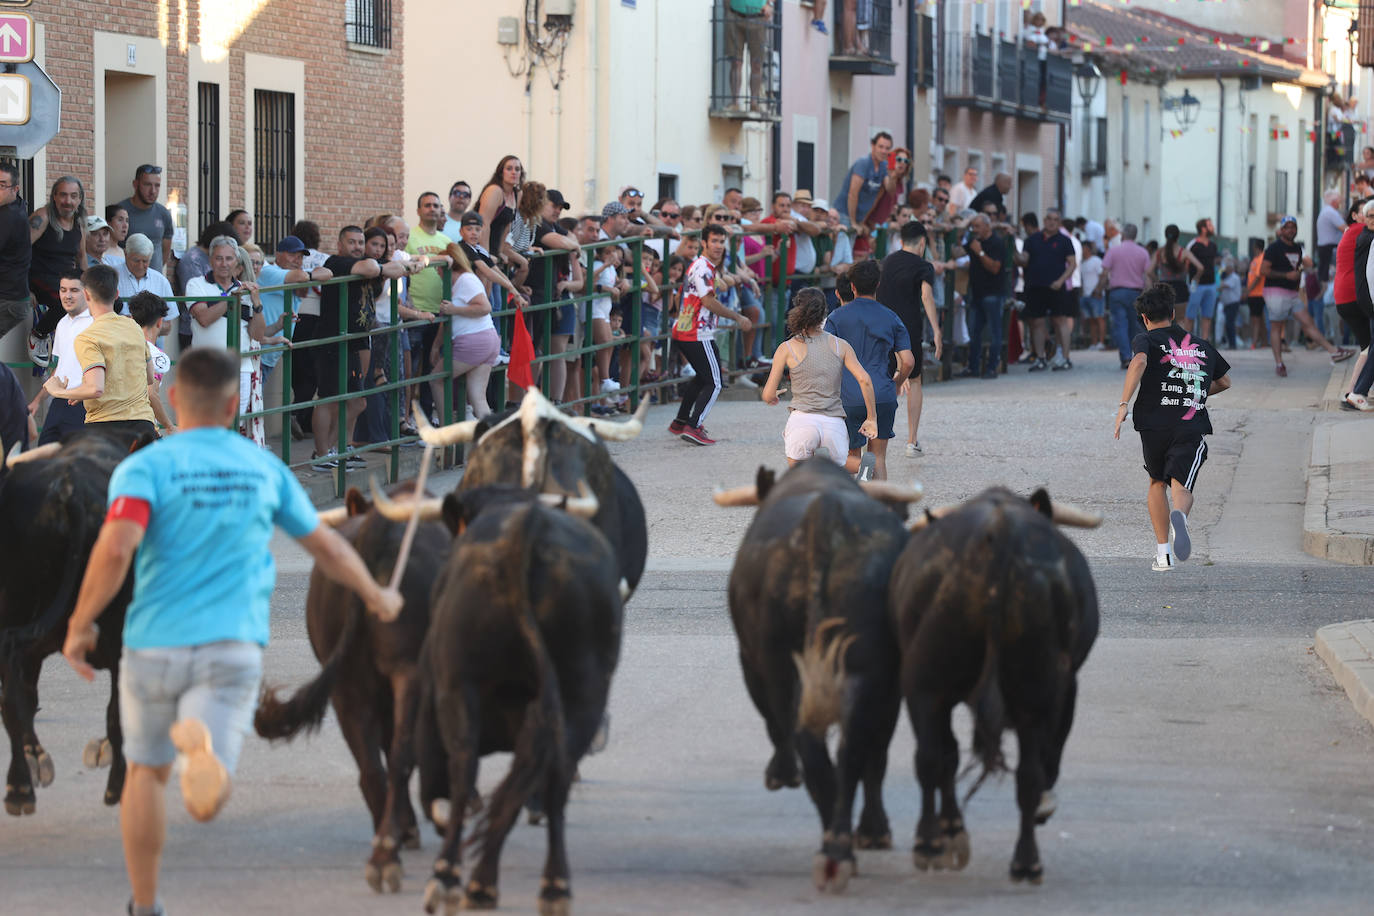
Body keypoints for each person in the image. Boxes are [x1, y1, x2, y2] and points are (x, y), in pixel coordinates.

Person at [59, 346, 404, 916]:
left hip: (152, 646)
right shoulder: (262, 467)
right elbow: (325, 545)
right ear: (230, 407)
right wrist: (375, 593)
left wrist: (79, 624)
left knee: (144, 772)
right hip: (231, 648)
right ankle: (205, 758)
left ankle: (145, 905)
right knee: (206, 796)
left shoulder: (143, 466)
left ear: (173, 399)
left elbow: (117, 547)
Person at [1114, 283, 1232, 572]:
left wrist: (1123, 404)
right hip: (1188, 424)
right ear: (1172, 313)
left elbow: (1139, 361)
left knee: (1156, 482)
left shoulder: (1146, 340)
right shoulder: (1202, 345)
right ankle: (1180, 515)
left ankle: (1163, 554)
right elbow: (1225, 381)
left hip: (1152, 424)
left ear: (1144, 317)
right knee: (1181, 486)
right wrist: (1195, 392)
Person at [762, 286, 875, 468]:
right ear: (825, 312)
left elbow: (767, 395)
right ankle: (864, 467)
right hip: (834, 422)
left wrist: (773, 396)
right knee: (839, 466)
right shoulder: (841, 345)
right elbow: (865, 380)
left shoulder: (787, 348)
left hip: (802, 420)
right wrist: (871, 418)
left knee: (799, 476)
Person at [44, 264, 156, 441]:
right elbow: (150, 377)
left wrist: (58, 391)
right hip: (144, 426)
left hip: (107, 429)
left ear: (86, 294)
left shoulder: (87, 337)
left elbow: (95, 388)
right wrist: (82, 393)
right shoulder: (133, 326)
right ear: (116, 294)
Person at [825, 260, 915, 480]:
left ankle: (857, 501)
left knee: (852, 455)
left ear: (852, 287)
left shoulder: (837, 318)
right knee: (877, 457)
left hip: (849, 395)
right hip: (881, 392)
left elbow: (826, 357)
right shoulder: (891, 317)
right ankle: (877, 504)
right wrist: (896, 382)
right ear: (878, 284)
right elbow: (908, 361)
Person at [669, 223, 753, 445]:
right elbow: (708, 301)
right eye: (714, 241)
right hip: (697, 333)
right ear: (703, 243)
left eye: (721, 242)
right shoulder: (703, 267)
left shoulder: (703, 265)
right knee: (715, 382)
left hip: (690, 331)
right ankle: (693, 427)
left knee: (702, 376)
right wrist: (738, 317)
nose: (718, 246)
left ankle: (681, 421)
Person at [877, 220, 942, 454]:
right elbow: (926, 296)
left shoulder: (886, 262)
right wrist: (936, 329)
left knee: (880, 379)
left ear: (901, 240)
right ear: (923, 242)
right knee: (914, 381)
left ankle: (874, 432)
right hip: (908, 328)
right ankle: (911, 441)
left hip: (882, 328)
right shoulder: (923, 266)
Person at [1260, 216, 1353, 377]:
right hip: (1275, 292)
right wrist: (1286, 275)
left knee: (1308, 322)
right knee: (1277, 327)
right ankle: (1279, 363)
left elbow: (1299, 267)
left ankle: (1333, 351)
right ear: (1281, 230)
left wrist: (1297, 278)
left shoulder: (1297, 248)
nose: (1291, 230)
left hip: (1292, 293)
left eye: (1293, 227)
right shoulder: (1273, 248)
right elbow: (1263, 270)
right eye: (1287, 227)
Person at [430, 243, 500, 420]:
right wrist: (436, 345)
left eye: (438, 268)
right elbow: (447, 318)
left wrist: (455, 310)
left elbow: (485, 307)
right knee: (478, 398)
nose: (437, 273)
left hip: (473, 341)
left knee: (436, 380)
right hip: (486, 340)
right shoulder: (458, 283)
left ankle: (447, 430)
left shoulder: (465, 280)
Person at [27, 176, 88, 367]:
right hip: (40, 278)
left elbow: (82, 258)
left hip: (66, 280)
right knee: (67, 301)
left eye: (73, 196)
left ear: (80, 199)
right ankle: (38, 335)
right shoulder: (43, 217)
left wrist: (95, 287)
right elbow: (17, 252)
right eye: (63, 195)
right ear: (54, 196)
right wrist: (23, 288)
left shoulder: (79, 223)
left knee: (112, 301)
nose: (68, 201)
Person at [29, 268, 93, 444]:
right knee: (45, 459)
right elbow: (58, 369)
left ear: (86, 292)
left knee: (75, 464)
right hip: (59, 402)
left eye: (74, 290)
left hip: (84, 404)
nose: (67, 296)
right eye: (63, 290)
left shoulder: (97, 323)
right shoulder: (62, 323)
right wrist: (37, 401)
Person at [1015, 208, 1077, 371]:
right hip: (1035, 286)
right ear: (1044, 220)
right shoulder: (1032, 240)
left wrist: (1061, 280)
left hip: (1056, 287)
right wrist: (1013, 248)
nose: (1051, 222)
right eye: (1049, 218)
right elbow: (1023, 260)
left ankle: (1065, 357)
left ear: (1059, 222)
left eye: (1055, 219)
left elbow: (1072, 264)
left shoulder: (1065, 240)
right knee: (1037, 322)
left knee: (1060, 320)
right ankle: (1040, 357)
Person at [1099, 222, 1152, 370]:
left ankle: (1125, 357)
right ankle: (1137, 355)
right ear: (1135, 236)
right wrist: (1149, 294)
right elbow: (1146, 275)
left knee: (1120, 325)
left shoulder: (1114, 251)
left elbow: (1104, 273)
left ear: (1122, 235)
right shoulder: (1143, 252)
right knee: (1134, 326)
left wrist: (1099, 288)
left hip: (1117, 292)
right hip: (1136, 293)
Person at [961, 214, 1006, 379]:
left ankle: (992, 367)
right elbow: (957, 252)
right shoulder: (973, 242)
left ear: (987, 226)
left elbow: (995, 268)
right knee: (974, 332)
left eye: (978, 226)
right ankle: (973, 367)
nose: (975, 230)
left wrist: (979, 252)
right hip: (977, 294)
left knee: (995, 332)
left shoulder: (997, 243)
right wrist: (962, 230)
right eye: (973, 227)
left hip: (993, 294)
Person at [127, 291, 177, 434]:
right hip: (141, 423)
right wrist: (169, 425)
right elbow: (150, 393)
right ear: (160, 321)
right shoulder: (157, 356)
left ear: (131, 318)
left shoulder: (119, 346)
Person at [115, 164, 174, 272]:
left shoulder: (164, 214)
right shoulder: (120, 212)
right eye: (147, 185)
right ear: (135, 184)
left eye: (157, 185)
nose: (153, 191)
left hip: (154, 282)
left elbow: (165, 251)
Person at [0, 161, 32, 345]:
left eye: (2, 185)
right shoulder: (16, 206)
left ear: (16, 188)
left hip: (7, 300)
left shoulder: (9, 217)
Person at [725, 0, 773, 113]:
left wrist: (770, 4)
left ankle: (754, 103)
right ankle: (735, 103)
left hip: (758, 17)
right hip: (735, 15)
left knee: (757, 64)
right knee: (736, 62)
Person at [117, 234, 176, 325]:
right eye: (136, 261)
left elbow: (167, 324)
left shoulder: (160, 281)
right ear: (125, 254)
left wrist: (146, 326)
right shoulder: (113, 278)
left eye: (145, 261)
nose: (140, 266)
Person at [843, 131, 892, 233]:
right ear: (873, 146)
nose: (884, 151)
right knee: (844, 249)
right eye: (881, 147)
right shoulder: (863, 163)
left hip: (859, 219)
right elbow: (853, 194)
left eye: (887, 148)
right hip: (845, 215)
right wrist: (853, 222)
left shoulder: (884, 166)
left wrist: (892, 171)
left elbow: (887, 191)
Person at [1151, 224, 1200, 322]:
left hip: (1163, 289)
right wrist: (1195, 279)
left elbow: (1149, 271)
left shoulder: (1159, 252)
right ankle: (1179, 338)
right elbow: (1200, 267)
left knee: (1164, 322)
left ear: (1165, 236)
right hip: (1180, 289)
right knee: (1181, 320)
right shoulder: (1183, 252)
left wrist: (1157, 282)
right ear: (1178, 236)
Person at [1184, 218, 1220, 339]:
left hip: (1211, 284)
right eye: (1210, 225)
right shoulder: (1193, 245)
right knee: (1190, 316)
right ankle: (1185, 343)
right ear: (1203, 229)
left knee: (1207, 316)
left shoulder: (1213, 245)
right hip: (1196, 285)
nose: (1213, 227)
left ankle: (1204, 344)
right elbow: (1186, 264)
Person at [1079, 241, 1106, 351]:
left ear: (1088, 249)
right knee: (1091, 320)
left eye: (1083, 248)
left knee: (1099, 318)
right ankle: (1094, 343)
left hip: (1096, 295)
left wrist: (1098, 290)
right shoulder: (1082, 263)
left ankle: (1101, 342)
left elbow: (1102, 275)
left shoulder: (1096, 260)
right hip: (1085, 295)